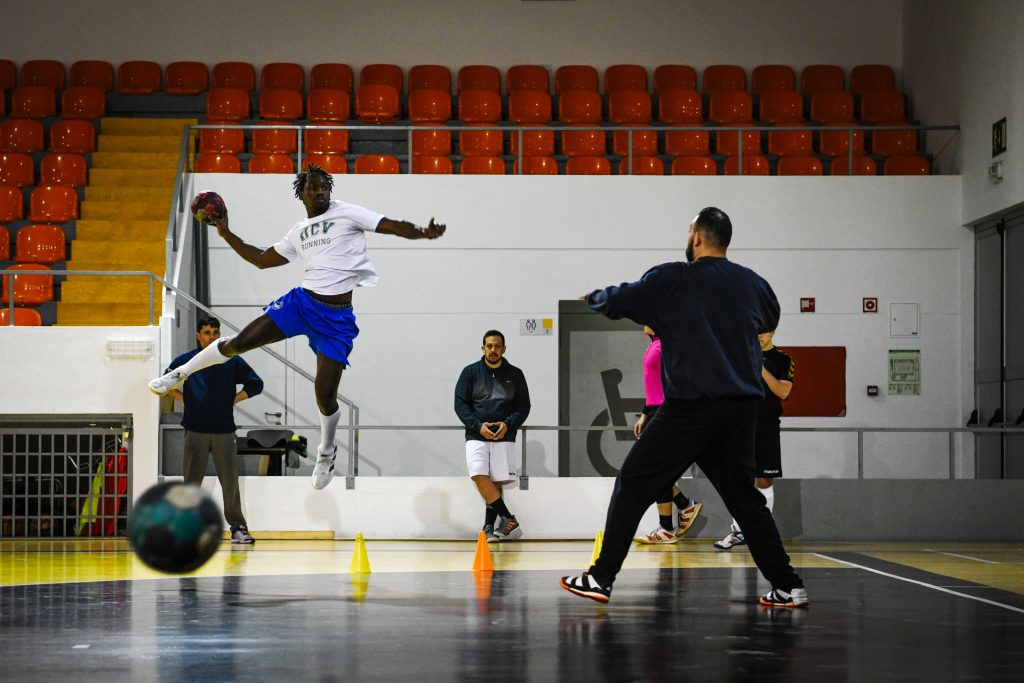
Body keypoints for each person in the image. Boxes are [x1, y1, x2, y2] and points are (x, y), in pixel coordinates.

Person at [560, 207, 808, 608]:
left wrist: (595, 298)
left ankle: (601, 577)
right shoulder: (755, 284)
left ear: (696, 236)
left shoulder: (675, 277)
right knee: (746, 501)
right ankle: (788, 585)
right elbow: (768, 321)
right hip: (741, 410)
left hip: (691, 408)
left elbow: (623, 298)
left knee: (632, 484)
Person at [149, 164, 446, 491]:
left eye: (323, 187)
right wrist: (226, 233)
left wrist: (422, 231)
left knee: (325, 396)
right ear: (301, 193)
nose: (319, 192)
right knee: (239, 342)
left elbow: (392, 225)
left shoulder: (348, 214)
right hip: (302, 304)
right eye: (313, 188)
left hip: (336, 319)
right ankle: (180, 373)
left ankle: (326, 450)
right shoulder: (299, 231)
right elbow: (262, 259)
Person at [164, 316, 264, 544]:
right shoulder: (186, 361)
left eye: (215, 332)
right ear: (197, 335)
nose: (211, 336)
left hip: (224, 431)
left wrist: (234, 399)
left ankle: (238, 528)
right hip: (195, 430)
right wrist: (183, 398)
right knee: (190, 484)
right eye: (207, 332)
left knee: (230, 483)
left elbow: (256, 384)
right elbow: (165, 382)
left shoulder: (231, 361)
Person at [715, 328, 794, 550]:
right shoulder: (740, 355)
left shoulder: (783, 359)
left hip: (766, 427)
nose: (760, 335)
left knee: (764, 480)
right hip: (739, 426)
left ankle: (762, 532)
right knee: (739, 480)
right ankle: (738, 531)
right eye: (756, 331)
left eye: (765, 331)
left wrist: (760, 369)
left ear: (773, 332)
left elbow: (783, 392)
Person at [454, 330, 531, 542]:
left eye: (497, 346)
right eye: (489, 346)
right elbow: (460, 405)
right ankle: (508, 517)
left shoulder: (515, 374)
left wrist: (508, 424)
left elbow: (524, 407)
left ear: (504, 349)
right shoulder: (470, 373)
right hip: (476, 435)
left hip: (504, 436)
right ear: (483, 348)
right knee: (479, 475)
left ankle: (489, 527)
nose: (493, 350)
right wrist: (478, 427)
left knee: (495, 480)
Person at [634, 326, 703, 544]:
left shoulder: (667, 344)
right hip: (654, 410)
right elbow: (653, 383)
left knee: (655, 469)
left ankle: (667, 527)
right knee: (653, 469)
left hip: (665, 411)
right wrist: (645, 414)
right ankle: (684, 506)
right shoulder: (654, 344)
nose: (642, 322)